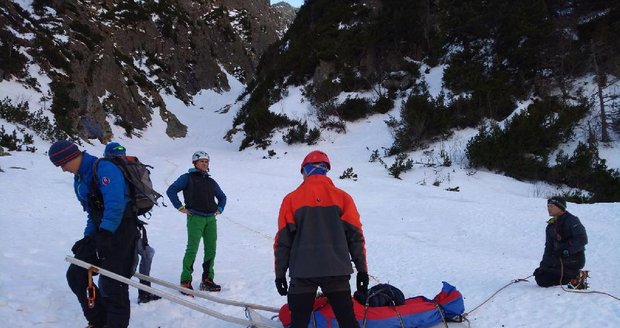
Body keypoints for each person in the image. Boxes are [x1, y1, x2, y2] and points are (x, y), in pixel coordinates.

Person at [49, 140, 139, 328]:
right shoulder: (80, 179)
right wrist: (88, 237)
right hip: (102, 231)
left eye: (62, 164)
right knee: (76, 274)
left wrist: (105, 234)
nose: (63, 170)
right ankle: (98, 321)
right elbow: (93, 212)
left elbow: (115, 205)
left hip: (122, 230)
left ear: (71, 157)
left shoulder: (104, 168)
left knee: (114, 283)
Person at [274, 150, 368, 328]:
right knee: (347, 320)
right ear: (326, 170)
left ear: (305, 171)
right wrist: (362, 270)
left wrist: (280, 274)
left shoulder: (291, 199)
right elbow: (356, 237)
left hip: (302, 273)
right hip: (337, 271)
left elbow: (283, 242)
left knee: (299, 321)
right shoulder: (343, 198)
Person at [103, 142, 161, 304]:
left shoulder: (112, 172)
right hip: (122, 226)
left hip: (126, 225)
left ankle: (142, 293)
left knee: (142, 254)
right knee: (129, 259)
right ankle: (116, 297)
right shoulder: (124, 171)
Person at [166, 150, 227, 292]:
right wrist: (180, 207)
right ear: (195, 163)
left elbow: (222, 197)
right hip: (195, 218)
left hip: (211, 219)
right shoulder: (187, 178)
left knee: (211, 249)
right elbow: (171, 190)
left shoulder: (211, 181)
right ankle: (185, 280)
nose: (205, 164)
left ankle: (207, 279)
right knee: (192, 248)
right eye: (202, 161)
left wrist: (220, 209)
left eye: (206, 161)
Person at [533, 196, 588, 289]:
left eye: (551, 206)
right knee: (540, 278)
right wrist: (543, 265)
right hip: (559, 258)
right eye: (548, 206)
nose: (548, 209)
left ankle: (577, 276)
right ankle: (570, 277)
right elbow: (548, 247)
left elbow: (582, 239)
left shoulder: (572, 220)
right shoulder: (551, 225)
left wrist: (566, 250)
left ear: (560, 207)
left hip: (575, 258)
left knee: (545, 276)